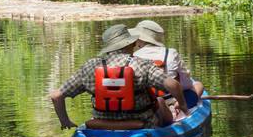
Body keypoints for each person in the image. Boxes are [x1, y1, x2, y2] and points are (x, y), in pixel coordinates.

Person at [50, 24, 187, 130]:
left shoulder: (90, 67)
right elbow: (173, 85)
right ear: (132, 43)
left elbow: (56, 96)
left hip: (102, 124)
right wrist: (183, 106)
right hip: (141, 125)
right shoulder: (141, 65)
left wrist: (65, 121)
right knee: (160, 102)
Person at [130, 19, 204, 112]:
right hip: (171, 99)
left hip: (146, 102)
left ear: (140, 39)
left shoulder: (133, 56)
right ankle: (177, 106)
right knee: (198, 85)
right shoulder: (171, 53)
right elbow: (187, 84)